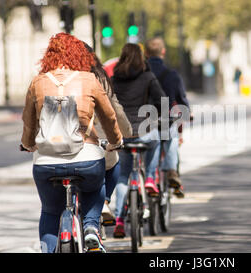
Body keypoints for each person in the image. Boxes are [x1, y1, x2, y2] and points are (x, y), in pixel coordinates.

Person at [21, 33, 123, 253]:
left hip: (46, 162)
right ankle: (90, 228)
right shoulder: (89, 80)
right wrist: (116, 141)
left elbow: (28, 123)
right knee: (96, 188)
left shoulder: (37, 82)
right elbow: (109, 117)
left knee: (50, 211)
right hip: (86, 158)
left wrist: (28, 144)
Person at [111, 43, 165, 238]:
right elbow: (161, 101)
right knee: (156, 139)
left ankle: (118, 220)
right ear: (141, 58)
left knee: (123, 175)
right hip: (145, 131)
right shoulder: (148, 77)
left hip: (123, 134)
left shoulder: (114, 79)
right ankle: (150, 178)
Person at [83, 42, 133, 225]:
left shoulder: (51, 79)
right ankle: (103, 201)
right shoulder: (98, 77)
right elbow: (113, 111)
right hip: (94, 141)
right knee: (112, 165)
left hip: (57, 146)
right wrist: (123, 135)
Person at [145, 37, 190, 198]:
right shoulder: (172, 74)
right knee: (172, 135)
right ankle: (171, 171)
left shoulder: (142, 73)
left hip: (145, 119)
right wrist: (188, 112)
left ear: (146, 53)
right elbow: (182, 99)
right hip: (166, 117)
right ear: (163, 52)